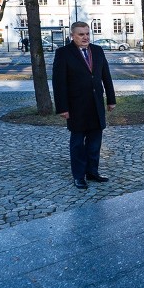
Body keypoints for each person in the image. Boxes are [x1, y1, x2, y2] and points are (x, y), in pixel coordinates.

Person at [52, 21, 116, 189]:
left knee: (95, 142)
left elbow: (106, 76)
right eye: (81, 34)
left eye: (87, 33)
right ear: (72, 36)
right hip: (76, 107)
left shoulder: (97, 50)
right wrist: (62, 108)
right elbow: (59, 83)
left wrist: (111, 99)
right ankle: (79, 176)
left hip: (96, 105)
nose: (85, 37)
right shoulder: (63, 53)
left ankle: (92, 172)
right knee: (78, 143)